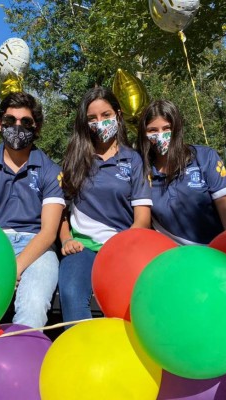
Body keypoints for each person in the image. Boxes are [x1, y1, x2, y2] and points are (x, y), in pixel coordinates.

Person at [0, 92, 65, 329]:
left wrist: (16, 268)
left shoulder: (51, 170)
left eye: (25, 122)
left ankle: (21, 361)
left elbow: (49, 232)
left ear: (36, 127)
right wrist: (1, 264)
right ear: (0, 124)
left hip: (37, 247)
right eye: (10, 121)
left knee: (34, 305)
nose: (17, 127)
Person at [58, 87, 152, 325]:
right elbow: (62, 212)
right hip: (82, 249)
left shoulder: (134, 160)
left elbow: (142, 219)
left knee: (131, 304)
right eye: (92, 118)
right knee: (70, 294)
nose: (100, 122)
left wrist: (122, 247)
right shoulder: (74, 159)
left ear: (118, 115)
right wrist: (66, 239)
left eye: (106, 115)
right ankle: (82, 355)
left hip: (121, 248)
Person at [137, 99, 226, 245]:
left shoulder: (205, 157)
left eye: (167, 128)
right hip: (171, 259)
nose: (160, 135)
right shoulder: (141, 168)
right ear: (144, 133)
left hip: (213, 255)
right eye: (153, 130)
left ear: (177, 129)